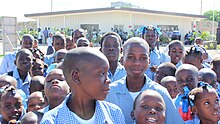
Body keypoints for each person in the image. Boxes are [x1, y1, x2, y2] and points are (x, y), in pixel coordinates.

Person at [105, 37, 184, 124]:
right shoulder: (110, 93)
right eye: (131, 57)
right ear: (122, 60)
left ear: (149, 61)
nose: (137, 62)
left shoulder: (160, 93)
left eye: (143, 58)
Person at [41, 48, 125, 123]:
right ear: (76, 77)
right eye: (101, 73)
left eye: (107, 74)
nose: (108, 80)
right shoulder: (52, 120)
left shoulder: (114, 114)